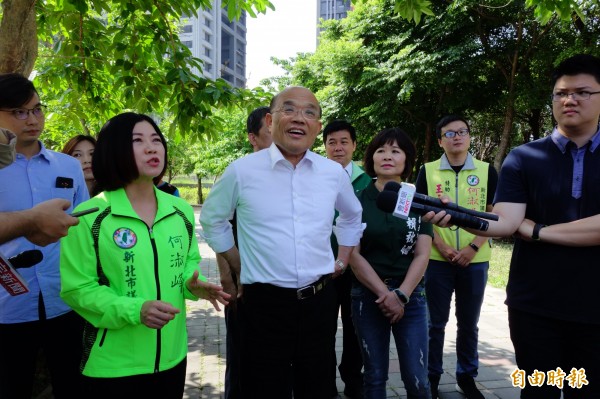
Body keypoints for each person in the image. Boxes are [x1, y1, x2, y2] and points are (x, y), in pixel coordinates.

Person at [423, 54, 600, 398]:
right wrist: (455, 214)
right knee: (539, 392)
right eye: (561, 93)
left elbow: (524, 226)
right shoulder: (524, 157)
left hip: (595, 309)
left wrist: (537, 231)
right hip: (534, 306)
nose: (569, 99)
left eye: (582, 92)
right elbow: (506, 222)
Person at [200, 86, 363, 399]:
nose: (299, 117)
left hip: (318, 302)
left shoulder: (332, 173)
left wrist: (341, 259)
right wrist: (237, 264)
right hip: (262, 305)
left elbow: (352, 216)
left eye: (309, 112)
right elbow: (213, 219)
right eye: (289, 109)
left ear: (317, 127)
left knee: (317, 386)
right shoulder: (241, 171)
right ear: (270, 120)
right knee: (262, 387)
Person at [59, 112, 229, 398]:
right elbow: (78, 289)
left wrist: (191, 284)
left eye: (156, 140)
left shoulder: (180, 210)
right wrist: (136, 310)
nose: (152, 148)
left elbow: (186, 262)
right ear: (114, 150)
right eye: (138, 140)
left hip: (172, 358)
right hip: (113, 365)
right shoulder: (89, 217)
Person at [0, 73, 89, 399]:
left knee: (72, 385)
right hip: (6, 308)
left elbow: (84, 230)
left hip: (63, 300)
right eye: (19, 112)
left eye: (37, 109)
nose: (32, 119)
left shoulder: (67, 167)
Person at [415, 115, 497, 399]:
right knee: (434, 323)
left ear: (470, 137)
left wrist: (472, 248)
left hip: (475, 260)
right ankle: (433, 377)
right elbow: (421, 216)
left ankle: (466, 376)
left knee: (468, 323)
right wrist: (445, 248)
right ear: (440, 141)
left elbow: (495, 215)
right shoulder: (427, 171)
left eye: (462, 132)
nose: (457, 137)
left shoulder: (487, 170)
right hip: (438, 261)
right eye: (449, 134)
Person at [349, 127, 432, 399]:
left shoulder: (416, 200)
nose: (387, 156)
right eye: (381, 150)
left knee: (418, 378)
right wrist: (385, 295)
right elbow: (353, 253)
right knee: (374, 377)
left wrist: (402, 295)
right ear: (371, 158)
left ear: (406, 160)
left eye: (396, 151)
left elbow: (422, 254)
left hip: (411, 296)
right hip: (368, 296)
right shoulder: (357, 200)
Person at [217, 105, 272, 399]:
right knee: (241, 354)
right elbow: (218, 225)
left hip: (277, 286)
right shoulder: (238, 173)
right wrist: (230, 279)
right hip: (243, 283)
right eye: (270, 132)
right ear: (253, 137)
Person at [323, 119, 370, 398]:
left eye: (343, 142)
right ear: (325, 146)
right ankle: (324, 381)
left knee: (355, 328)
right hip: (324, 268)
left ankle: (353, 378)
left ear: (354, 145)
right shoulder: (316, 176)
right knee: (323, 328)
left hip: (357, 267)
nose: (338, 147)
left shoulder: (368, 180)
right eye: (331, 142)